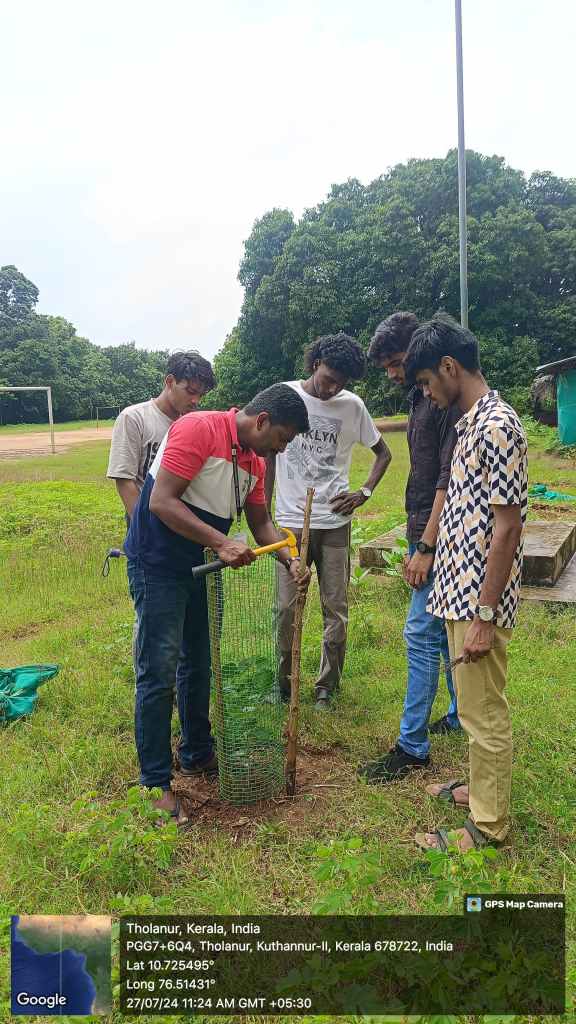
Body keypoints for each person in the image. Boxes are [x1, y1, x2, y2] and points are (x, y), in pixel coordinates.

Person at [124, 384, 311, 825]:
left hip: (203, 567)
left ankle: (196, 752)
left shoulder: (252, 462)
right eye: (281, 439)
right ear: (261, 420)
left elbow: (261, 522)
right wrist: (223, 543)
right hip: (158, 564)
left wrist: (289, 559)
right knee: (159, 670)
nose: (280, 450)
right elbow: (161, 502)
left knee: (200, 663)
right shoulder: (198, 429)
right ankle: (153, 783)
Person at [402, 314, 527, 851]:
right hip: (456, 591)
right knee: (475, 707)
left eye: (429, 383)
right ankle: (477, 790)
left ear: (450, 367)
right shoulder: (468, 423)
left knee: (482, 710)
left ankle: (489, 825)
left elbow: (508, 526)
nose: (428, 395)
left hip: (480, 599)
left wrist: (485, 614)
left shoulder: (497, 424)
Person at [358, 313, 462, 784]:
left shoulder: (444, 402)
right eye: (388, 368)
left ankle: (412, 746)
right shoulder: (420, 397)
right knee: (440, 634)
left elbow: (446, 476)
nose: (393, 374)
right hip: (424, 527)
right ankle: (459, 714)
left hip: (438, 536)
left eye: (397, 364)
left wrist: (424, 545)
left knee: (420, 634)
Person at [266, 332, 392, 710]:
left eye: (341, 382)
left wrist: (363, 493)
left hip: (335, 524)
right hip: (290, 522)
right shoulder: (285, 396)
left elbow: (382, 454)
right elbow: (269, 453)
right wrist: (264, 505)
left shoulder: (352, 407)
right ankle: (282, 683)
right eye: (328, 377)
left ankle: (326, 688)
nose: (332, 387)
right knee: (286, 609)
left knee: (335, 608)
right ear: (315, 361)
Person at [107, 350, 216, 520]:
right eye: (190, 391)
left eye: (200, 395)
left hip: (183, 519)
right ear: (170, 381)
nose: (196, 401)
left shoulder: (194, 425)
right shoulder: (134, 418)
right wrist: (143, 528)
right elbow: (124, 480)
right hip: (146, 518)